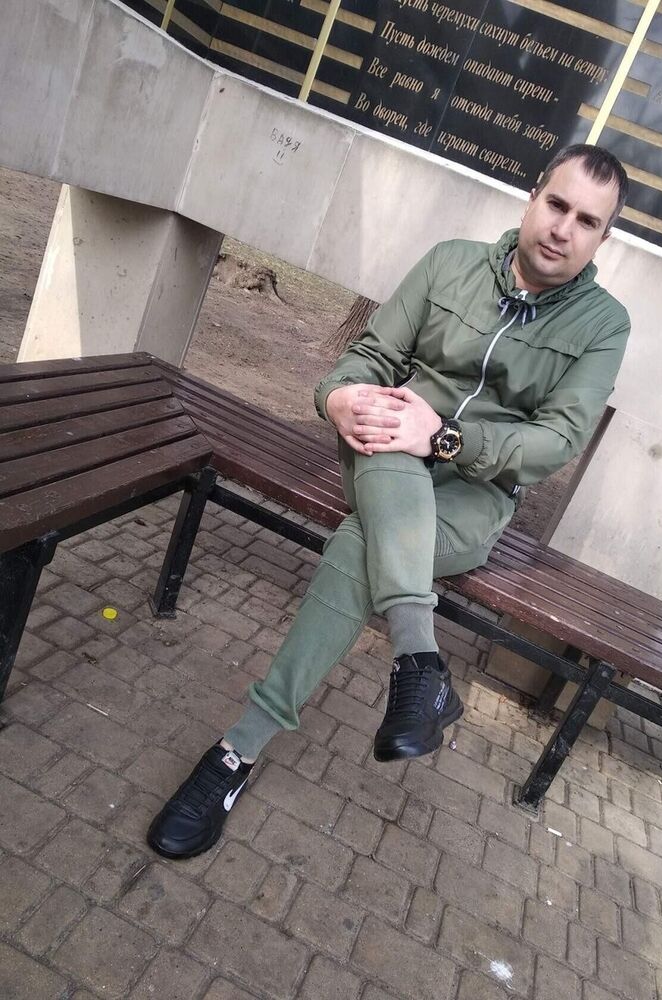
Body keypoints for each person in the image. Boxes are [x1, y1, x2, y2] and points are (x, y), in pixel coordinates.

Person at [147, 144, 630, 859]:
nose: (563, 229)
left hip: (472, 497)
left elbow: (557, 440)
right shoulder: (450, 263)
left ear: (602, 238)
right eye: (557, 205)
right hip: (381, 451)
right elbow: (370, 357)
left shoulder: (603, 324)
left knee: (358, 542)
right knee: (389, 429)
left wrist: (447, 436)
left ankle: (237, 752)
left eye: (587, 221)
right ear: (533, 197)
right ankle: (417, 663)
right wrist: (339, 397)